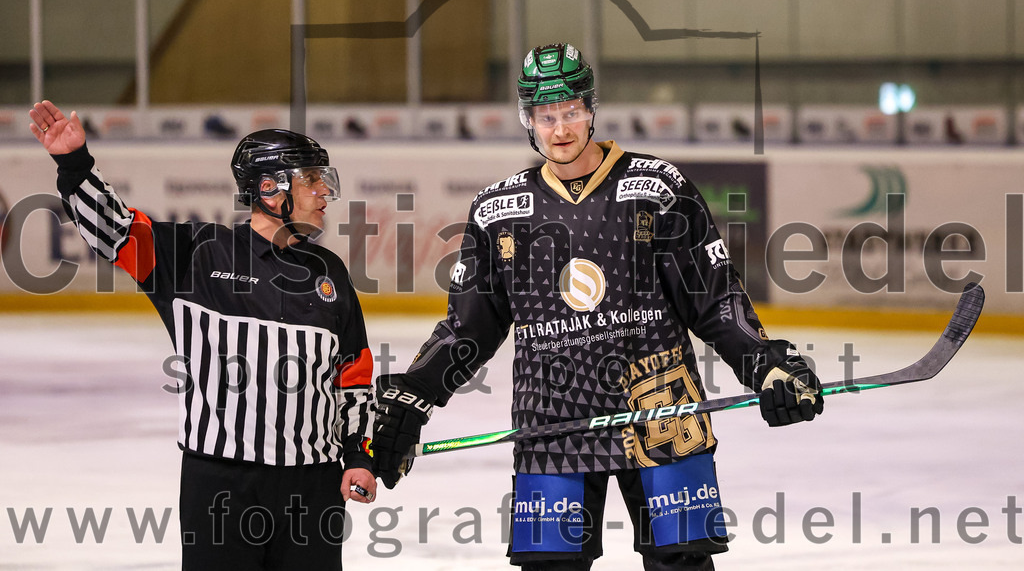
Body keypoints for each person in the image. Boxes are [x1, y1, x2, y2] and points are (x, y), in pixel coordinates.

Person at [370, 44, 824, 570]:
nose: (560, 129)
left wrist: (765, 363)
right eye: (546, 116)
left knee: (681, 563)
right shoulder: (497, 211)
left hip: (661, 410)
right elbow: (469, 326)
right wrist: (414, 395)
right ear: (528, 120)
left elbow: (715, 299)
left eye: (570, 113)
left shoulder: (657, 188)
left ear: (590, 109)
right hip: (551, 421)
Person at [28, 100, 376, 571]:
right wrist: (74, 163)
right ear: (271, 190)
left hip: (311, 487)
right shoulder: (196, 255)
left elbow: (352, 375)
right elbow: (113, 229)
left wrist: (358, 454)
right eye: (312, 180)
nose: (325, 192)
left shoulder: (328, 271)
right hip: (219, 486)